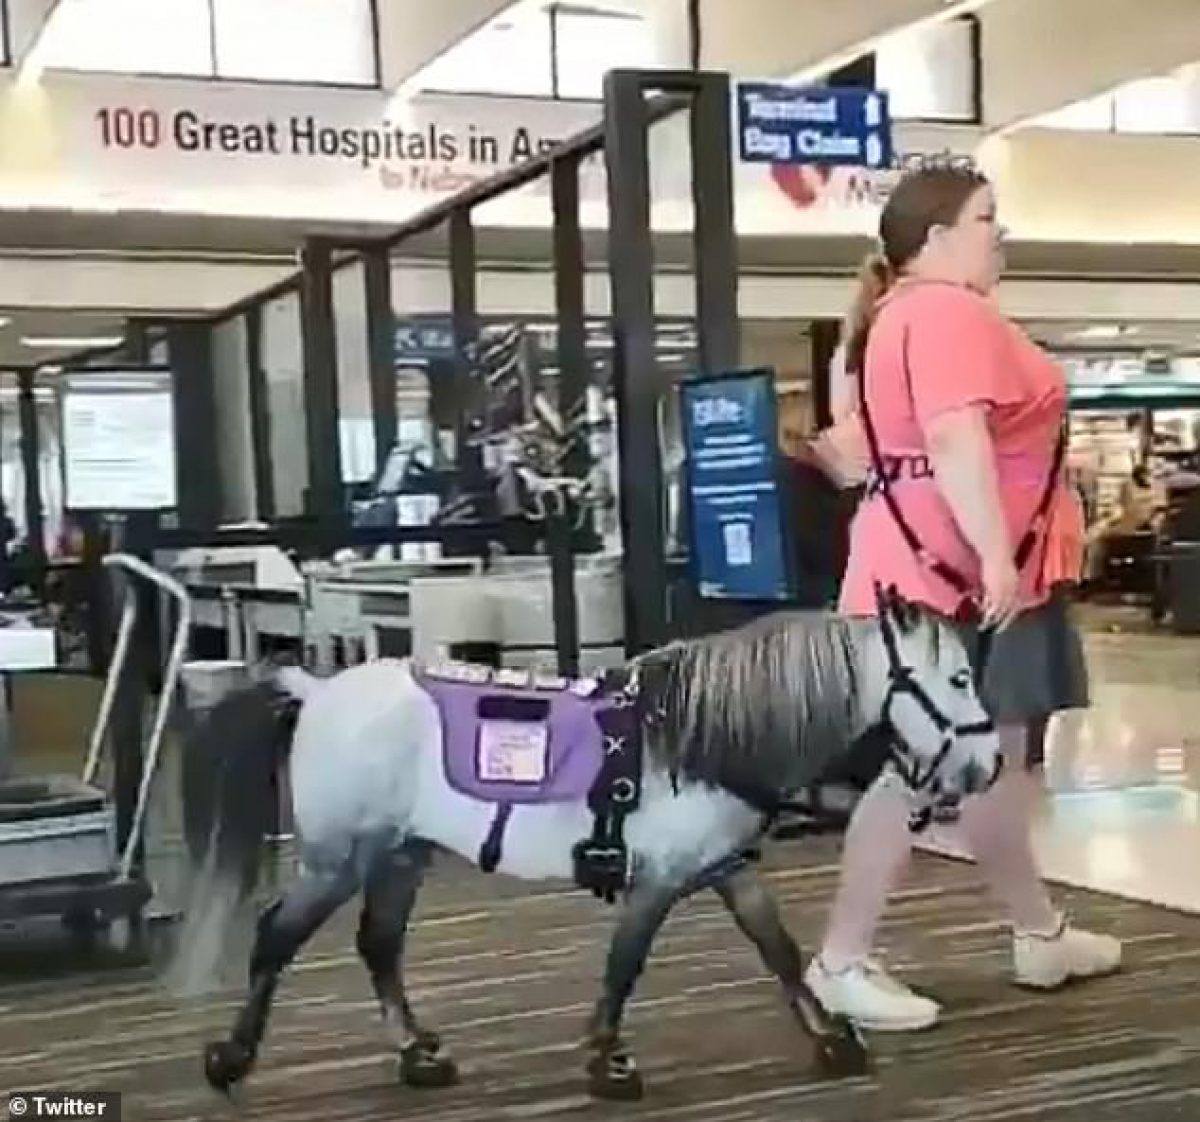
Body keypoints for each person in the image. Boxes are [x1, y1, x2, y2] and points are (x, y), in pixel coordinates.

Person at [804, 164, 1121, 1032]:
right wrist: (994, 559)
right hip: (962, 575)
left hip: (948, 569)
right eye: (986, 219)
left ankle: (1037, 933)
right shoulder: (942, 311)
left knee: (992, 763)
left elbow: (875, 447)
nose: (1000, 234)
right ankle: (840, 958)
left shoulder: (900, 316)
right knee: (928, 765)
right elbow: (953, 435)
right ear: (936, 238)